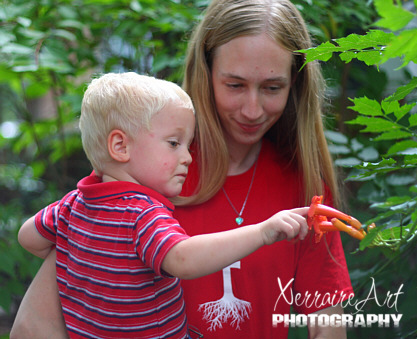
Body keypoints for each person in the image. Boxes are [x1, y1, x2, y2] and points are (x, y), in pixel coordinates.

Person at [11, 0, 354, 338]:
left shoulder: (302, 185)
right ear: (205, 73)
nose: (252, 109)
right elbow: (33, 326)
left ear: (295, 85)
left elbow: (327, 326)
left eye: (272, 88)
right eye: (234, 85)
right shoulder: (150, 171)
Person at [16, 72, 309, 339]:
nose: (188, 157)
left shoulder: (71, 205)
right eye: (173, 143)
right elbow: (182, 259)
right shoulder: (141, 212)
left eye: (187, 145)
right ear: (120, 147)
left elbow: (28, 237)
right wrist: (262, 232)